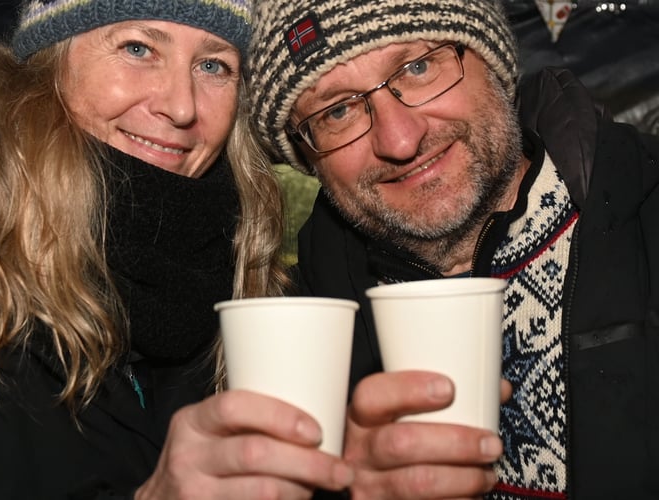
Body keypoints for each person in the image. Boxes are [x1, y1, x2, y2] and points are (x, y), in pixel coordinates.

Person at [0, 0, 356, 498]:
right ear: (49, 65)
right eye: (138, 48)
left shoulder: (244, 276)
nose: (181, 106)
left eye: (214, 65)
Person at [247, 0, 659, 499]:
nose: (400, 139)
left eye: (418, 67)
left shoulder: (644, 219)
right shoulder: (307, 320)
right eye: (337, 111)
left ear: (494, 65)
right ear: (309, 158)